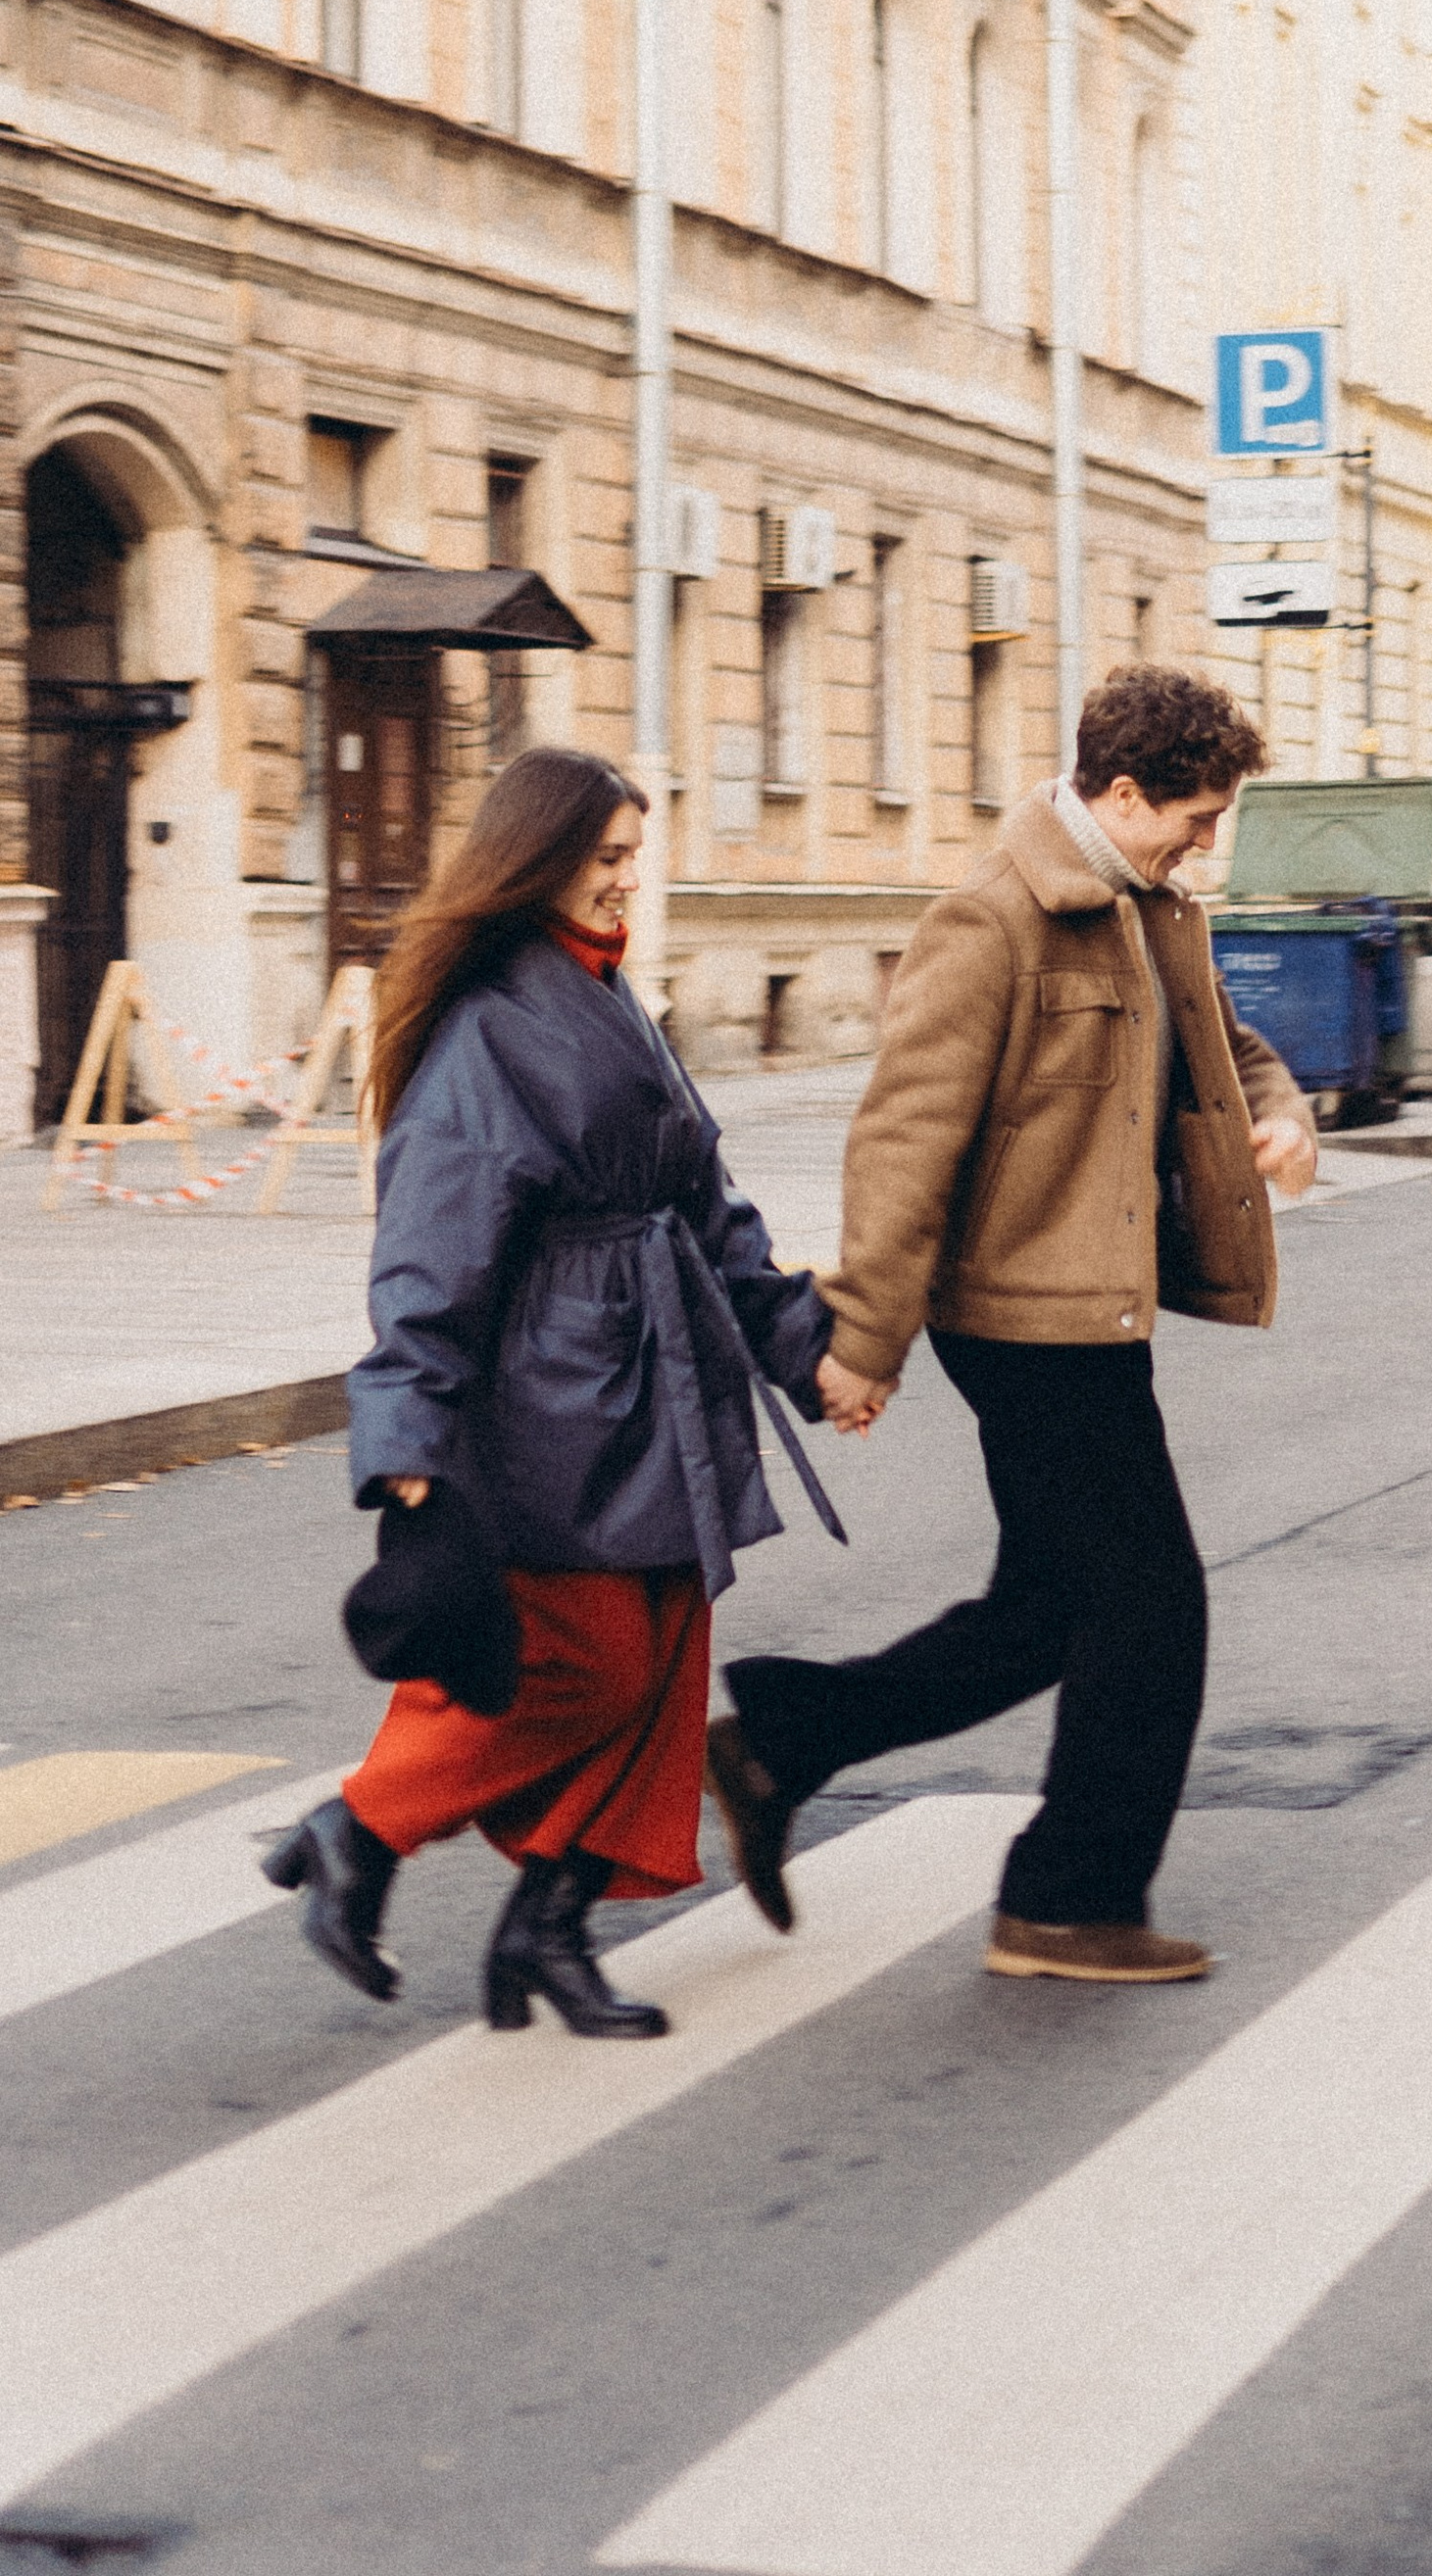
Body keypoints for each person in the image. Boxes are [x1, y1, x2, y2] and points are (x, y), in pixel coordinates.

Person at [708, 665, 1318, 1985]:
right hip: (1025, 1323)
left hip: (1094, 1312)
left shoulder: (1148, 910)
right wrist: (859, 1344)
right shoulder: (991, 925)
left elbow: (1224, 1042)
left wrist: (1280, 1108)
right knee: (1154, 1614)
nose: (1205, 846)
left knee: (1051, 1607)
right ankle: (1068, 1897)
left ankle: (781, 1740)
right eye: (1193, 818)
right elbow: (902, 1144)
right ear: (1118, 792)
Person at [262, 745, 842, 2037]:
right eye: (606, 861)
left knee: (669, 1653)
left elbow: (707, 1208)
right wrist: (404, 1425)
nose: (627, 885)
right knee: (584, 1659)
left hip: (655, 1378)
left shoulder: (606, 995)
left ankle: (549, 1928)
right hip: (552, 1395)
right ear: (534, 864)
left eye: (636, 860)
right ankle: (355, 1832)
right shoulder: (492, 1025)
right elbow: (429, 1243)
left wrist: (808, 1350)